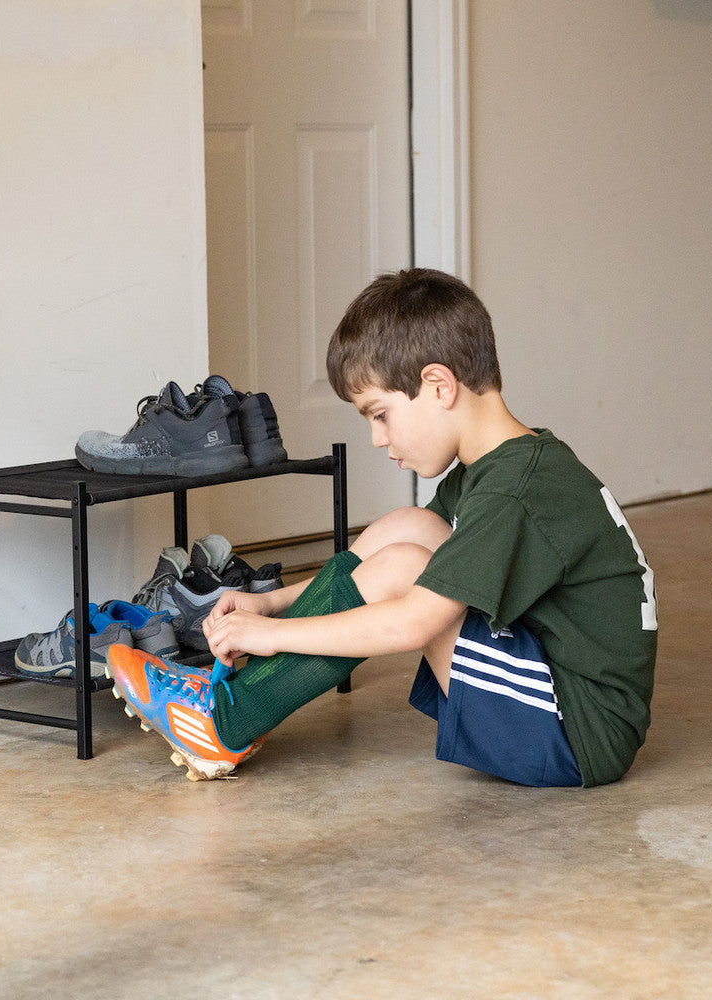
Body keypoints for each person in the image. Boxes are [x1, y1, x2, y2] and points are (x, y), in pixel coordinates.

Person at [105, 268, 658, 788]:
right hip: (550, 683)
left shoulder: (516, 490)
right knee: (409, 527)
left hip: (577, 730)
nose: (377, 438)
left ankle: (228, 720)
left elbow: (417, 621)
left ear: (439, 385)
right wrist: (272, 605)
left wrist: (271, 637)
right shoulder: (502, 464)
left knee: (406, 569)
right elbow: (405, 548)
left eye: (379, 414)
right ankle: (251, 697)